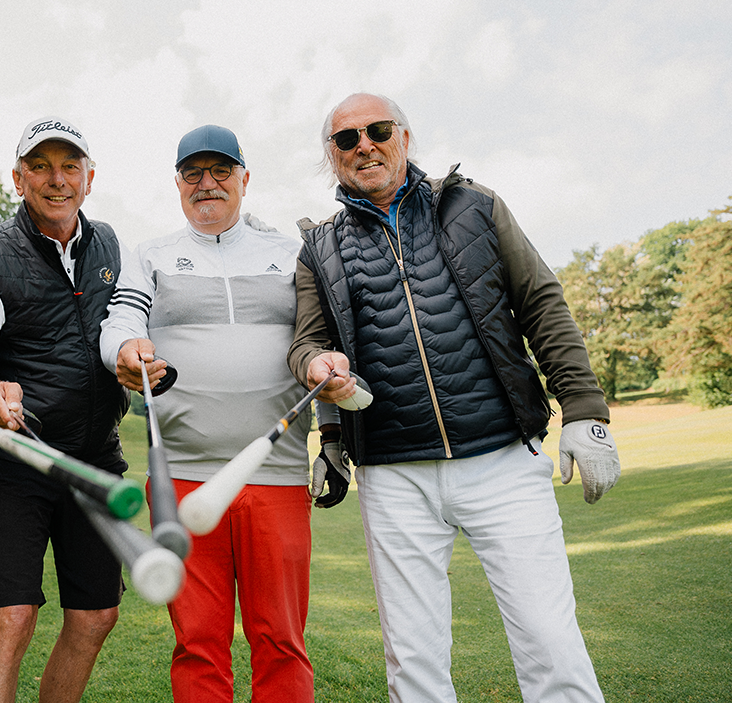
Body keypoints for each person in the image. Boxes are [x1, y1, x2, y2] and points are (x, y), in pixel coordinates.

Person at [288, 92, 621, 702]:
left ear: (404, 137)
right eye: (346, 138)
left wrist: (584, 411)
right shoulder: (319, 248)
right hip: (393, 474)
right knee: (413, 661)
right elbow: (309, 343)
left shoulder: (474, 206)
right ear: (332, 155)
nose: (364, 145)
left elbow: (541, 303)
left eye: (377, 130)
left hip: (502, 458)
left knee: (549, 641)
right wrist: (322, 394)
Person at [99, 124, 331, 703]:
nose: (207, 183)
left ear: (245, 179)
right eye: (193, 173)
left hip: (275, 476)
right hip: (180, 477)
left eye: (221, 171)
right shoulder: (151, 255)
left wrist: (332, 439)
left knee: (281, 640)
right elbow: (122, 320)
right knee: (198, 643)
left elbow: (322, 344)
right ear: (178, 183)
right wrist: (125, 348)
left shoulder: (292, 254)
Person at [0, 116, 129, 703]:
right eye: (41, 166)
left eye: (70, 166)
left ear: (89, 178)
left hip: (95, 459)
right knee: (12, 619)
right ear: (18, 177)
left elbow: (126, 328)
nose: (57, 179)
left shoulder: (110, 244)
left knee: (96, 615)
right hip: (19, 460)